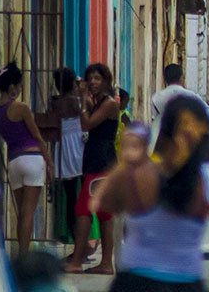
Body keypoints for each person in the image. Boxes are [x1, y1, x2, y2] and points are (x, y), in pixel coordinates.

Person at [94, 96, 209, 291]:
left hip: (135, 281)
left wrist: (125, 163)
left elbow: (104, 203)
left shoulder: (137, 175)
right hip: (187, 280)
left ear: (163, 134)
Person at [0, 62, 53, 256]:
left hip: (14, 161)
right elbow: (37, 136)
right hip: (33, 158)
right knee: (28, 212)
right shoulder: (22, 108)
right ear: (12, 87)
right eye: (19, 86)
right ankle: (24, 256)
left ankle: (21, 254)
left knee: (20, 213)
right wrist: (50, 163)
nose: (20, 89)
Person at [68, 63, 122, 274]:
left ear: (106, 81)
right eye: (90, 78)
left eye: (97, 78)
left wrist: (83, 102)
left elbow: (86, 124)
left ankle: (77, 261)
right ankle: (106, 263)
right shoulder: (99, 102)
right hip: (97, 161)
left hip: (101, 162)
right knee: (103, 213)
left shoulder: (108, 104)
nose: (92, 82)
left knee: (83, 210)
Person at [52, 67, 87, 263]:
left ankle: (76, 244)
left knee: (71, 199)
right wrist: (83, 94)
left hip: (63, 149)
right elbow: (86, 112)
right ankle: (82, 246)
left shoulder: (56, 102)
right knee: (83, 201)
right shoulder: (76, 102)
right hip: (78, 149)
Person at [151, 64, 205, 144]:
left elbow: (154, 118)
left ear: (165, 79)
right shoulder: (192, 97)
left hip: (162, 141)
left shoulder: (156, 98)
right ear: (181, 78)